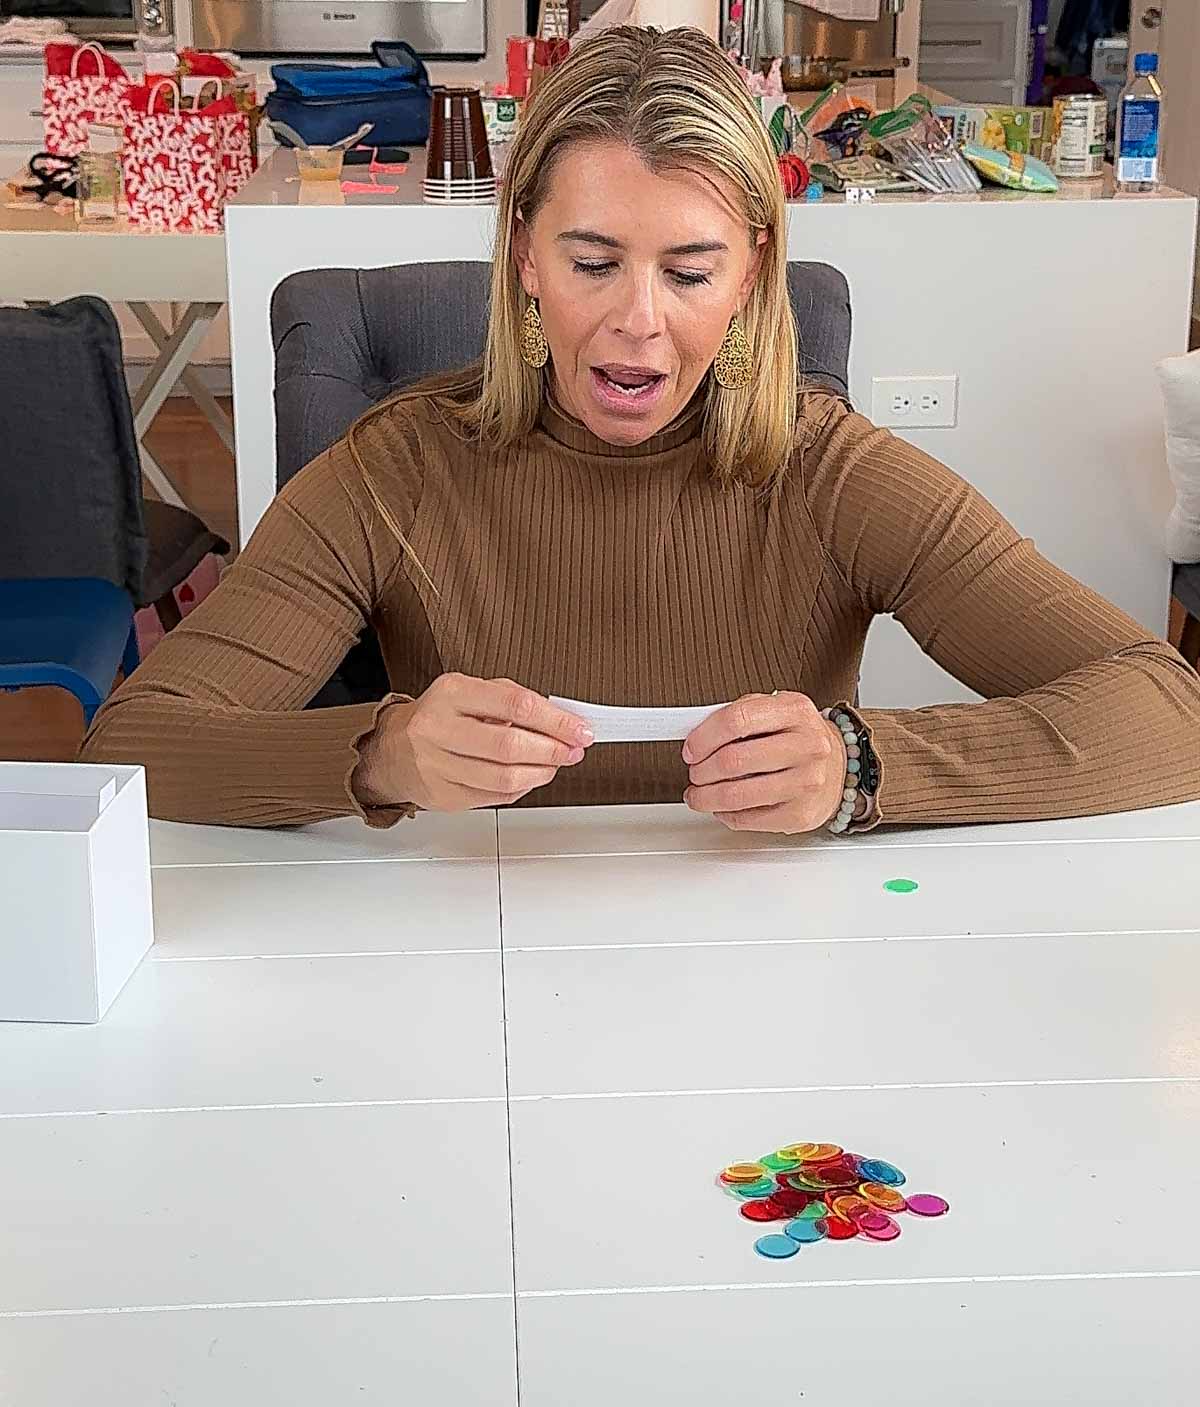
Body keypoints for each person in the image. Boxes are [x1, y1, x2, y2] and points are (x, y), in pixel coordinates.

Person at [81, 25, 1200, 834]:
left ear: (753, 273)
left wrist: (867, 766)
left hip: (768, 980)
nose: (637, 323)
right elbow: (135, 745)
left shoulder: (832, 472)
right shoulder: (397, 465)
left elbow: (1166, 708)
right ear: (524, 255)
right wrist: (378, 756)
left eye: (690, 269)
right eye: (593, 262)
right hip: (468, 963)